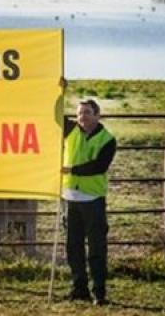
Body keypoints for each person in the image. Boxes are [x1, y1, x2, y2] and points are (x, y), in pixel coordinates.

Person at [61, 99, 116, 306]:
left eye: (87, 112)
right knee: (73, 247)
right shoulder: (71, 131)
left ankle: (99, 293)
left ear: (97, 115)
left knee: (96, 249)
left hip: (93, 200)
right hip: (70, 198)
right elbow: (54, 112)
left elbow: (99, 166)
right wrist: (60, 88)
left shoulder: (108, 139)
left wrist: (72, 170)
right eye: (79, 113)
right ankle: (79, 289)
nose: (82, 117)